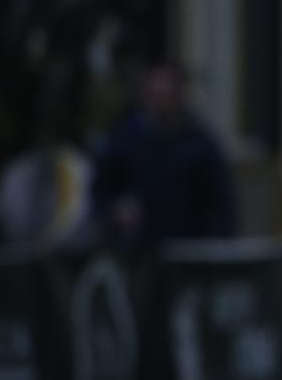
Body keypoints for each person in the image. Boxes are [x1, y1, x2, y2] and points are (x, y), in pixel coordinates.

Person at [91, 61, 237, 245]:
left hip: (190, 249)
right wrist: (114, 213)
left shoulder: (201, 145)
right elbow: (100, 192)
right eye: (156, 94)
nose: (161, 101)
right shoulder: (125, 141)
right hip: (139, 252)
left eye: (167, 94)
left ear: (179, 95)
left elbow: (222, 203)